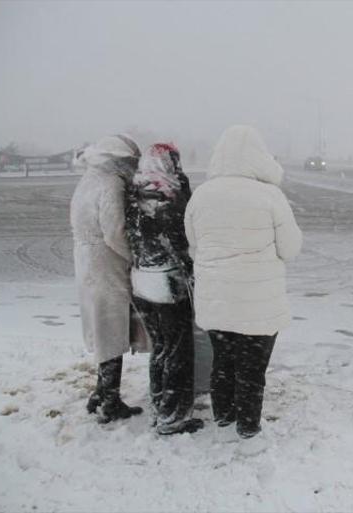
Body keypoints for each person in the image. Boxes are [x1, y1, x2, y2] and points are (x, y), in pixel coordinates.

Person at [185, 125, 302, 439]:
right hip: (257, 305)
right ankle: (248, 432)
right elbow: (290, 248)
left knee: (222, 363)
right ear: (259, 156)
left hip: (216, 301)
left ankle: (224, 422)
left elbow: (193, 244)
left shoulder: (201, 195)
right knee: (252, 371)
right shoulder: (270, 196)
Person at [125, 143, 203, 435]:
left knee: (160, 347)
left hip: (141, 282)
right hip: (167, 284)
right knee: (178, 351)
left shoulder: (134, 192)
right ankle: (173, 417)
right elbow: (185, 238)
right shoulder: (168, 195)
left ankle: (159, 403)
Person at [70, 134, 146, 423]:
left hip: (87, 260)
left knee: (101, 327)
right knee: (111, 329)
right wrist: (134, 257)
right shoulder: (111, 183)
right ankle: (109, 400)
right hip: (106, 263)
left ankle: (102, 392)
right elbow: (115, 231)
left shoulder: (89, 178)